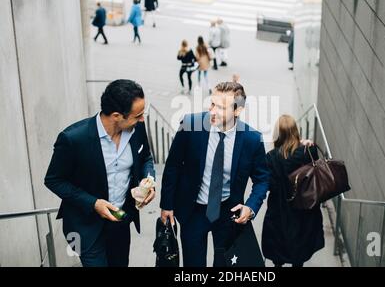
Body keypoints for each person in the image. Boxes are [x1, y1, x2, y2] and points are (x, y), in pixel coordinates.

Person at [45, 79, 156, 267]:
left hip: (121, 221)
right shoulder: (73, 139)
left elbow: (146, 157)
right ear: (116, 116)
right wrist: (93, 203)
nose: (142, 119)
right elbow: (54, 180)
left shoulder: (137, 129)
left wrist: (148, 180)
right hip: (85, 227)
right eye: (138, 116)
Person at [160, 82, 270, 267]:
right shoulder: (190, 125)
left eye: (221, 107)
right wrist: (167, 205)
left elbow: (262, 179)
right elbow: (173, 166)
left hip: (227, 214)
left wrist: (250, 208)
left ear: (237, 110)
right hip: (192, 211)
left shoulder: (252, 139)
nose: (212, 111)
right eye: (212, 104)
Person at [261, 115, 324, 267]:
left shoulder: (271, 157)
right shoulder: (306, 152)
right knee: (299, 251)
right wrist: (306, 144)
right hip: (303, 211)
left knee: (278, 250)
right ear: (295, 131)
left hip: (279, 211)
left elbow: (269, 185)